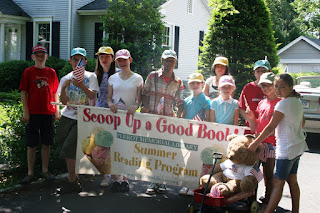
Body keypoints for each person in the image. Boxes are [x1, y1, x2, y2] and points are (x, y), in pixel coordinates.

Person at [248, 73, 308, 213]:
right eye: (276, 86)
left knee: (277, 181)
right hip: (297, 147)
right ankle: (295, 211)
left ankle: (268, 211)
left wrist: (255, 143)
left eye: (282, 87)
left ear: (291, 87)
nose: (278, 90)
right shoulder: (296, 101)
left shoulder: (283, 103)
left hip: (286, 150)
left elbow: (270, 127)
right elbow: (302, 123)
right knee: (292, 180)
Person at [141, 49, 184, 195]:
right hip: (152, 120)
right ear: (162, 61)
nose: (169, 63)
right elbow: (144, 93)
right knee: (152, 151)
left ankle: (163, 182)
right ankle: (153, 181)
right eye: (167, 60)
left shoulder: (178, 82)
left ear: (175, 63)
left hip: (168, 123)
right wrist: (145, 106)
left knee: (165, 152)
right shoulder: (152, 76)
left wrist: (181, 117)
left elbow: (180, 102)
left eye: (172, 61)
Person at [56, 47, 99, 194]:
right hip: (67, 116)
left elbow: (92, 96)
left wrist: (81, 85)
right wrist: (64, 89)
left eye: (81, 60)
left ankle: (72, 181)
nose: (77, 62)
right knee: (65, 147)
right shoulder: (65, 78)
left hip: (83, 117)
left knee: (69, 148)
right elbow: (64, 102)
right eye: (75, 59)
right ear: (70, 61)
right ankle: (76, 177)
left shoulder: (91, 77)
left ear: (85, 62)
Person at [19, 45, 59, 184]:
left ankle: (45, 171)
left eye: (43, 55)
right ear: (33, 57)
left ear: (47, 56)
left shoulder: (51, 72)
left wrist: (57, 110)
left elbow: (55, 92)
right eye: (37, 55)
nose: (40, 57)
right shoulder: (28, 72)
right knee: (31, 144)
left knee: (46, 143)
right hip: (33, 113)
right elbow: (23, 92)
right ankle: (30, 173)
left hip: (48, 112)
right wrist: (26, 111)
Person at [107, 49, 143, 192]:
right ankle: (116, 179)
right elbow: (109, 98)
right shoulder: (112, 78)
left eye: (124, 60)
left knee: (127, 148)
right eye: (119, 60)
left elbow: (140, 99)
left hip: (130, 119)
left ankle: (125, 179)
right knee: (115, 147)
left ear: (130, 60)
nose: (122, 63)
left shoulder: (138, 78)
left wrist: (136, 106)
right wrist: (110, 104)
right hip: (115, 118)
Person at [245, 72, 281, 205]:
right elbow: (259, 123)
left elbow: (277, 126)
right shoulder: (262, 103)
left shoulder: (280, 102)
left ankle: (268, 199)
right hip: (259, 143)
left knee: (268, 174)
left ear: (274, 85)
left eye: (269, 85)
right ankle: (251, 198)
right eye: (263, 86)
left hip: (272, 144)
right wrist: (251, 117)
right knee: (253, 171)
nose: (266, 88)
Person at [178, 72, 211, 196]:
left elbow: (208, 120)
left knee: (197, 161)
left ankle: (194, 186)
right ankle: (186, 184)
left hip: (201, 135)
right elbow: (183, 116)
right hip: (188, 134)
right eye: (192, 83)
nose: (195, 85)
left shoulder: (207, 100)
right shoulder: (186, 100)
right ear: (189, 85)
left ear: (202, 84)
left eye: (198, 82)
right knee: (187, 160)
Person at [94, 46, 116, 187]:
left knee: (115, 144)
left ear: (112, 58)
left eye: (107, 56)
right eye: (101, 56)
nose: (104, 59)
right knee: (103, 144)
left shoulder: (118, 74)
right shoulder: (95, 75)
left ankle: (118, 174)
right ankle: (106, 175)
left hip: (114, 113)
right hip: (99, 114)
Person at [238, 60, 270, 134]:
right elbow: (241, 108)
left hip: (268, 130)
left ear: (270, 72)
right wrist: (250, 121)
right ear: (254, 73)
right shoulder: (248, 87)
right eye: (258, 71)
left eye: (264, 71)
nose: (261, 73)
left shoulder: (274, 89)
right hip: (251, 128)